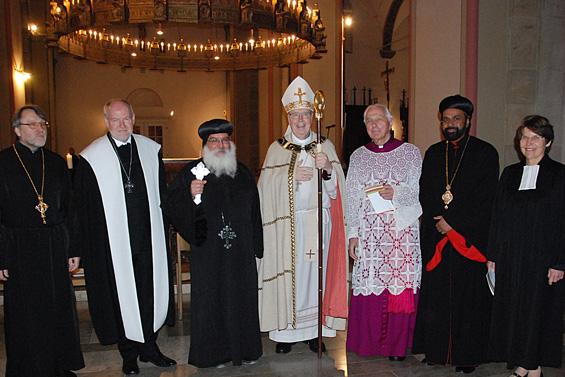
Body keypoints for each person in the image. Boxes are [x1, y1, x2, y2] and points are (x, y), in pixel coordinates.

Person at [72, 99, 175, 375]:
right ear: (106, 121)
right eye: (115, 120)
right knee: (121, 298)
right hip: (113, 245)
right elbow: (82, 208)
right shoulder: (91, 158)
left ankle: (150, 348)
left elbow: (162, 194)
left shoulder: (149, 149)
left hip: (147, 238)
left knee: (147, 294)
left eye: (126, 118)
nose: (121, 125)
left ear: (133, 117)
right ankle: (128, 353)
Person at [257, 76, 348, 354]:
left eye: (306, 114)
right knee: (291, 277)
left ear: (312, 116)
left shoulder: (325, 147)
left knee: (315, 277)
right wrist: (290, 177)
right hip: (289, 226)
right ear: (288, 116)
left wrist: (329, 170)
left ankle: (314, 333)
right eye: (296, 115)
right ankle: (286, 334)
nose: (301, 120)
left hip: (318, 224)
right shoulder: (276, 150)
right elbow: (265, 191)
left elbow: (337, 192)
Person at [163, 119, 263, 367]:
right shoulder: (191, 173)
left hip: (240, 251)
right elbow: (171, 207)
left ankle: (245, 351)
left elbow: (254, 211)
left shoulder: (242, 172)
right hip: (209, 251)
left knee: (242, 298)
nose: (221, 145)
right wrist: (190, 195)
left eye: (225, 140)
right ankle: (213, 354)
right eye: (214, 141)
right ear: (205, 145)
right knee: (211, 300)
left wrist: (257, 245)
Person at [412, 95, 499, 374]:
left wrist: (453, 223)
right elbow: (425, 191)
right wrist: (440, 220)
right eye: (446, 119)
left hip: (467, 237)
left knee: (468, 302)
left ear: (468, 121)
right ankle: (437, 351)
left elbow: (485, 198)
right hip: (439, 237)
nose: (450, 124)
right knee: (438, 299)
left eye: (456, 119)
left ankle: (468, 355)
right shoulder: (434, 153)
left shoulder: (485, 153)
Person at [0, 105, 84, 377]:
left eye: (42, 124)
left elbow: (70, 208)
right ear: (16, 130)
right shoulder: (3, 163)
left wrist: (73, 247)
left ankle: (57, 366)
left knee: (57, 308)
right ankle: (28, 369)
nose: (40, 129)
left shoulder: (57, 162)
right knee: (26, 313)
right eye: (32, 124)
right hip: (19, 246)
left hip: (54, 244)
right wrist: (1, 256)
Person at [487, 115, 565, 377]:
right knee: (515, 313)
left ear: (548, 142)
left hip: (543, 259)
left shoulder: (560, 175)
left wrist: (560, 262)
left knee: (537, 313)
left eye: (535, 137)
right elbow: (497, 217)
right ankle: (529, 366)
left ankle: (528, 366)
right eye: (524, 136)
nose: (528, 143)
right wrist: (493, 256)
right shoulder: (510, 174)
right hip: (511, 258)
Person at [345, 104, 422, 360]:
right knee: (371, 285)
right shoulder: (358, 156)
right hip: (369, 234)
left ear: (390, 123)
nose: (373, 125)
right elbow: (351, 196)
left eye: (378, 120)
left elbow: (419, 191)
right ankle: (369, 342)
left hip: (400, 234)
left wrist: (396, 192)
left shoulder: (410, 152)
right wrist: (352, 234)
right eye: (368, 121)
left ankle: (397, 346)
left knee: (398, 288)